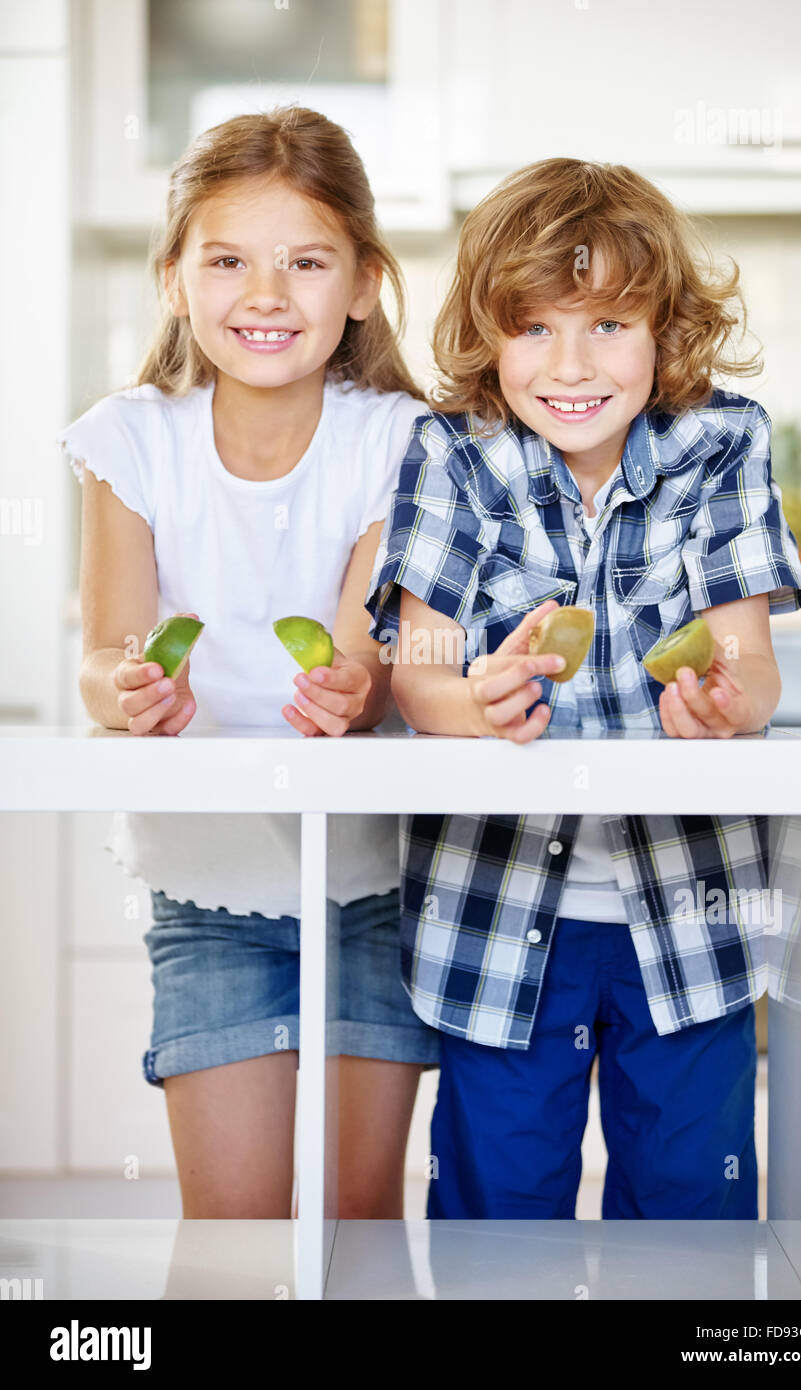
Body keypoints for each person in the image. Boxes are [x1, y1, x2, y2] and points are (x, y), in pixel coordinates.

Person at [365, 157, 801, 1219]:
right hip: (496, 917)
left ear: (664, 331)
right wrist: (473, 702)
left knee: (688, 1218)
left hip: (688, 919)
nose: (570, 364)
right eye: (533, 328)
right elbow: (415, 666)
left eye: (607, 324)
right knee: (496, 1217)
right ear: (488, 336)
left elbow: (747, 662)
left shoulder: (719, 445)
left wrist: (724, 704)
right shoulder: (452, 455)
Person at [60, 105, 438, 1219]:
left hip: (371, 886)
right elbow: (103, 654)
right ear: (175, 278)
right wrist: (124, 691)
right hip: (206, 882)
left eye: (305, 262)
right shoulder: (128, 441)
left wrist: (354, 689)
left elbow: (369, 659)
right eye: (227, 260)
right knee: (233, 1242)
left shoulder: (397, 441)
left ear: (363, 282)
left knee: (357, 1234)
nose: (264, 294)